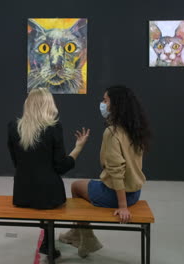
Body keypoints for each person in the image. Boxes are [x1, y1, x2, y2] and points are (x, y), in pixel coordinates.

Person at [59, 85, 151, 258]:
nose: (102, 104)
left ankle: (86, 238)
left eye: (105, 100)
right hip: (135, 193)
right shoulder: (135, 130)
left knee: (76, 187)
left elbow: (117, 171)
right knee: (88, 185)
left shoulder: (112, 132)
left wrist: (122, 206)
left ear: (115, 105)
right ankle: (75, 233)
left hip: (116, 195)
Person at [7, 87, 90, 258]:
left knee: (39, 190)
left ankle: (47, 243)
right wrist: (78, 148)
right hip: (49, 195)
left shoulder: (13, 127)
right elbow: (61, 166)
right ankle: (48, 244)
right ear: (49, 105)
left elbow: (17, 163)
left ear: (28, 104)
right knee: (47, 191)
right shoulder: (53, 128)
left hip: (22, 193)